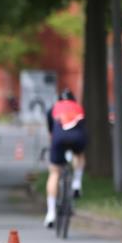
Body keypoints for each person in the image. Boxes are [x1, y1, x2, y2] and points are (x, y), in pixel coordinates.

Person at [44, 89, 87, 228]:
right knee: (79, 155)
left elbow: (51, 131)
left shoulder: (54, 108)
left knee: (54, 172)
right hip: (77, 137)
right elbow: (83, 126)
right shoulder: (78, 107)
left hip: (59, 138)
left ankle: (50, 214)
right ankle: (77, 183)